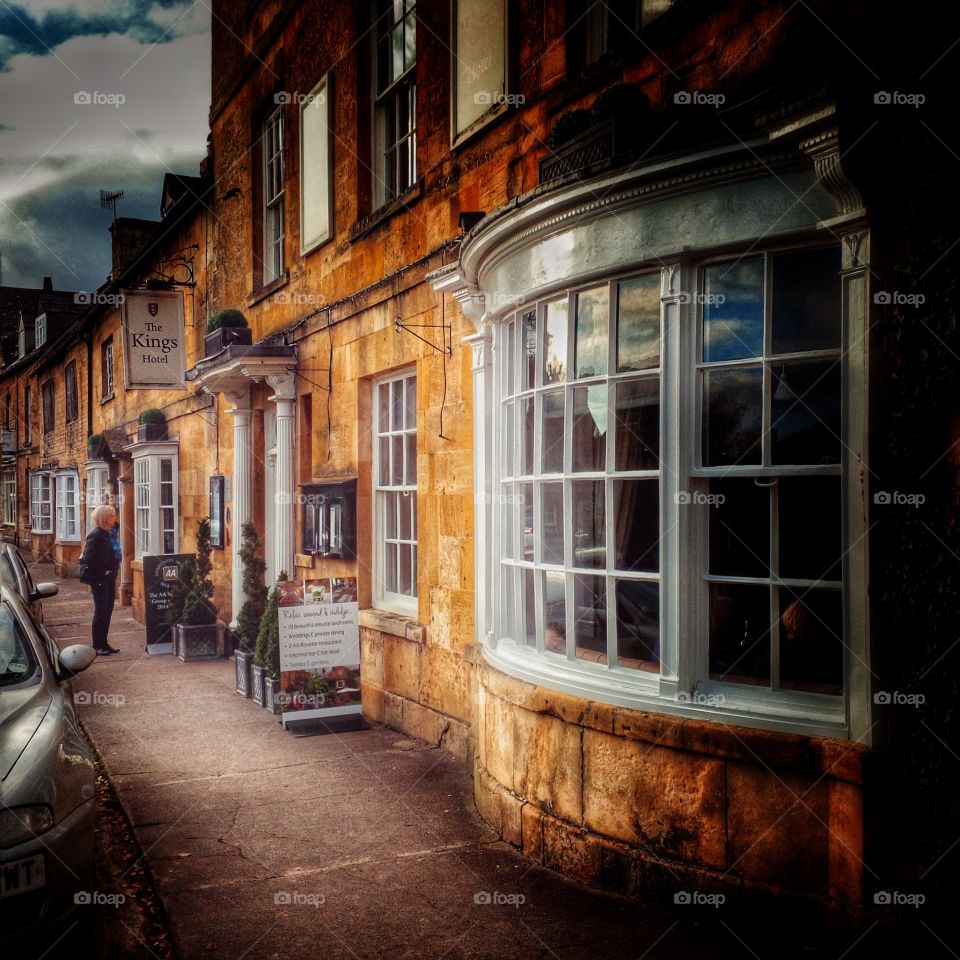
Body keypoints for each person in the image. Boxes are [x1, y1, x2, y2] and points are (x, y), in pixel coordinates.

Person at [82, 504, 121, 656]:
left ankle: (104, 642)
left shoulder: (108, 533)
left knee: (108, 611)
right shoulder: (96, 535)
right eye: (111, 516)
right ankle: (97, 645)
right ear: (104, 519)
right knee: (100, 612)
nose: (114, 519)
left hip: (109, 578)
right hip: (99, 579)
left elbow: (116, 526)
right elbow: (88, 560)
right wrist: (102, 573)